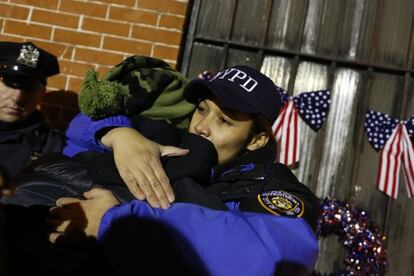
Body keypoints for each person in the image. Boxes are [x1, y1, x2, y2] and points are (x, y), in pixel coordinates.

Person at [43, 65, 321, 275]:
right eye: (201, 109)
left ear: (257, 139)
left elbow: (266, 259)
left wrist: (115, 221)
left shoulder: (277, 189)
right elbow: (73, 133)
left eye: (223, 121)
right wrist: (115, 134)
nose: (200, 126)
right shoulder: (172, 140)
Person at [0, 41, 64, 189]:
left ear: (42, 95)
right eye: (10, 85)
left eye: (29, 89)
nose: (17, 98)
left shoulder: (53, 148)